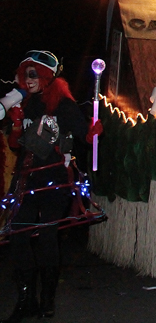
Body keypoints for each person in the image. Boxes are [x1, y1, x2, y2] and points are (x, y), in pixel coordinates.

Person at [2, 50, 95, 322]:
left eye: (33, 74)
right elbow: (14, 145)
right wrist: (16, 125)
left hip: (53, 181)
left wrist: (92, 130)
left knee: (46, 239)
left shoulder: (62, 104)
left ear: (45, 75)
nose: (27, 79)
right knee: (18, 238)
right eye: (24, 74)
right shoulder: (23, 103)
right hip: (26, 180)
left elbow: (83, 133)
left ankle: (47, 301)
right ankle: (26, 301)